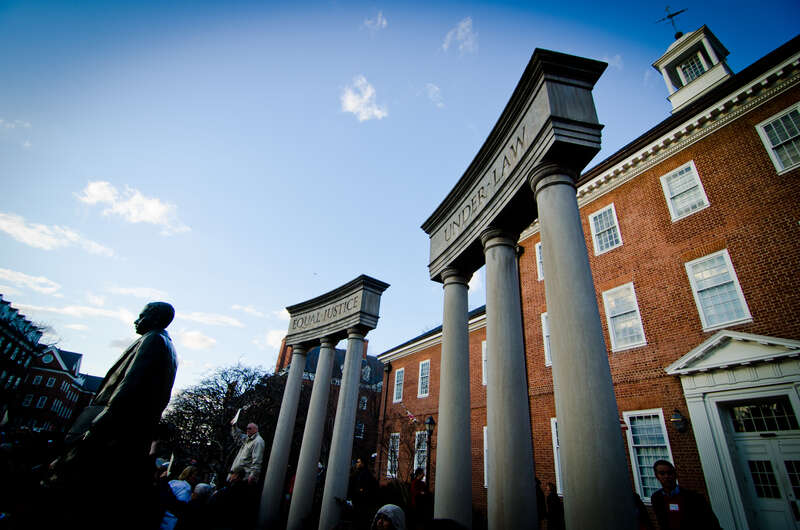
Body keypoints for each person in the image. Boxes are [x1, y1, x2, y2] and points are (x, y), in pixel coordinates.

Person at [47, 302, 178, 528]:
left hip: (111, 432)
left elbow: (128, 387)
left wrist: (96, 427)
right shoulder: (168, 347)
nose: (136, 320)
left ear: (155, 318)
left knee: (67, 491)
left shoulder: (153, 341)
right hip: (127, 433)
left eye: (142, 315)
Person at [650, 460, 721, 530]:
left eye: (669, 473)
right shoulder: (656, 498)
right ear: (657, 476)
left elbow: (712, 523)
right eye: (662, 473)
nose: (667, 476)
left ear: (675, 475)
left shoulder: (694, 498)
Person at [161, 465, 200, 530]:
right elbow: (179, 507)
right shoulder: (186, 488)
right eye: (195, 475)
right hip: (169, 522)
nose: (197, 478)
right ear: (189, 475)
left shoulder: (173, 482)